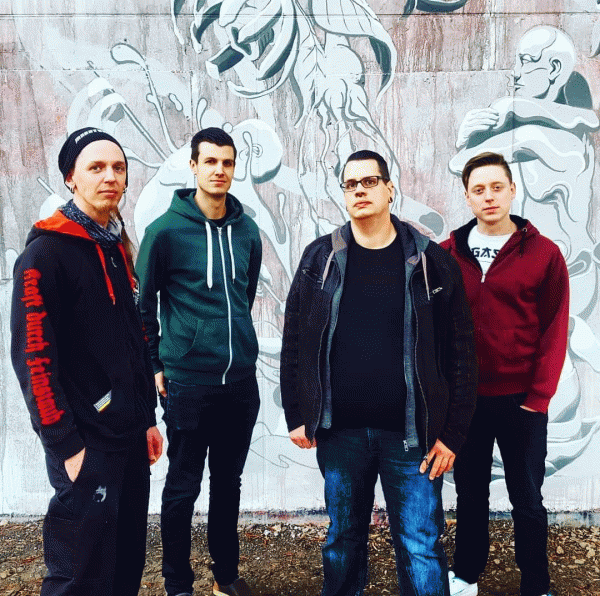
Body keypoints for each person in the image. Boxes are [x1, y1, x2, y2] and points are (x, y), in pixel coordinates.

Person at [280, 149, 477, 596]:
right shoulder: (320, 258)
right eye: (351, 184)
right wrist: (297, 413)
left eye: (369, 181)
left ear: (390, 189)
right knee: (342, 541)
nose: (360, 191)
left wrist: (453, 434)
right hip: (340, 434)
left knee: (420, 545)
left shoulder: (430, 262)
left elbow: (462, 353)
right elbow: (296, 339)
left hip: (413, 437)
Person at [10, 127, 163, 596]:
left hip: (129, 438)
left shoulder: (116, 247)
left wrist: (147, 419)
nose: (110, 177)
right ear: (70, 178)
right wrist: (66, 446)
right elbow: (33, 359)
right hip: (85, 442)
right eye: (96, 167)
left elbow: (134, 340)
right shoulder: (44, 255)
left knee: (126, 566)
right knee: (79, 575)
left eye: (118, 168)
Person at [137, 127, 262, 596]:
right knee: (183, 487)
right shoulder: (164, 232)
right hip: (188, 383)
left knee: (228, 483)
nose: (219, 170)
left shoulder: (247, 231)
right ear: (193, 166)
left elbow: (244, 295)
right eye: (210, 161)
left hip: (240, 382)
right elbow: (143, 307)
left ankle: (225, 576)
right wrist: (156, 364)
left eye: (227, 162)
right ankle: (177, 584)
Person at [441, 152, 569, 596]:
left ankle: (536, 583)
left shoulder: (544, 254)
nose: (489, 196)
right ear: (467, 197)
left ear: (512, 190)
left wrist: (539, 397)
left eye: (497, 187)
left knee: (527, 499)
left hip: (521, 401)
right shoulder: (447, 254)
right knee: (470, 494)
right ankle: (466, 574)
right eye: (478, 189)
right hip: (467, 402)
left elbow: (554, 327)